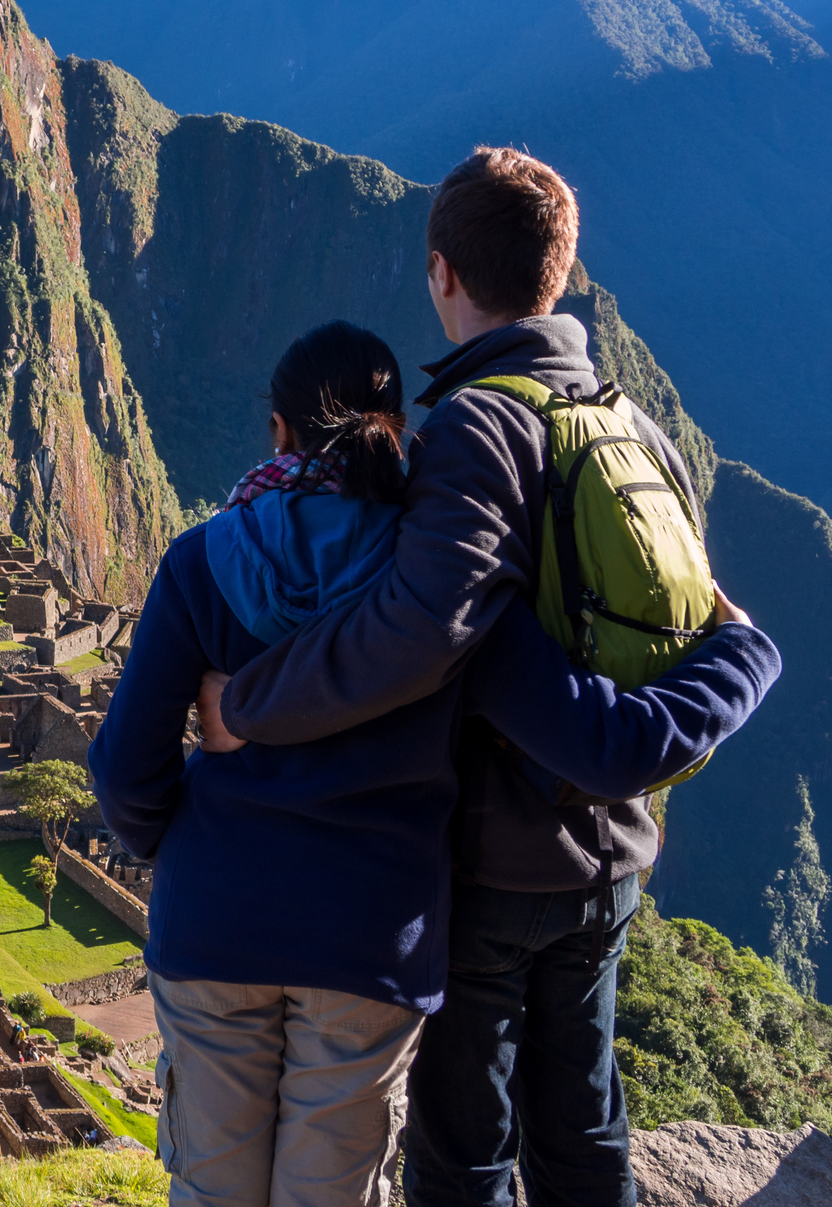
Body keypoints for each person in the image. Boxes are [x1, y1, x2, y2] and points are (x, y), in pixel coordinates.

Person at [91, 319, 778, 1207]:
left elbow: (127, 769)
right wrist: (745, 650)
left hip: (216, 921)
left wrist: (176, 838)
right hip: (371, 938)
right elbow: (600, 735)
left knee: (213, 1190)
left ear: (279, 431)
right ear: (396, 431)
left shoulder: (199, 562)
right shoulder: (443, 587)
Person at [208, 151, 728, 1206]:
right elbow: (683, 622)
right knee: (583, 1127)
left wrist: (254, 705)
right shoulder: (628, 424)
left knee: (463, 1148)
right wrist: (748, 658)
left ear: (441, 273)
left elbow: (418, 630)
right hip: (612, 854)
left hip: (488, 862)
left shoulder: (472, 428)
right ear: (560, 271)